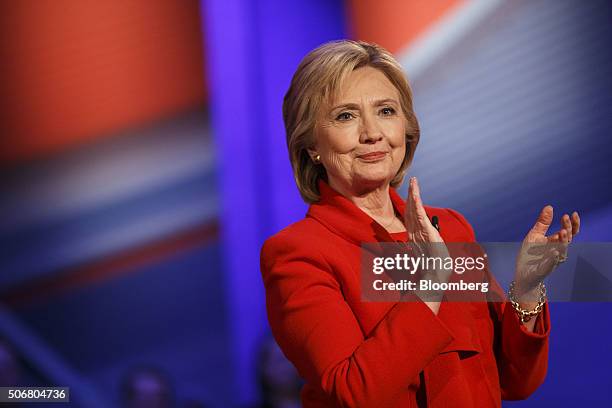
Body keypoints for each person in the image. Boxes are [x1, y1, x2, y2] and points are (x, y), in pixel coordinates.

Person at [259, 40, 580, 407]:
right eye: (345, 116)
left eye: (386, 111)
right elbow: (355, 393)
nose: (372, 133)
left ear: (406, 127)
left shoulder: (452, 228)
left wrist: (526, 289)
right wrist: (431, 282)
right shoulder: (299, 253)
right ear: (311, 143)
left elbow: (515, 381)